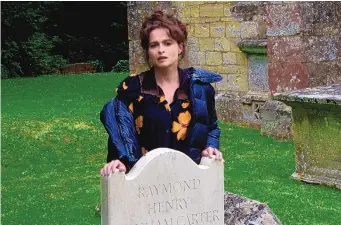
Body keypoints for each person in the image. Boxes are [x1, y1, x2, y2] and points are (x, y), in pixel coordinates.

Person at [100, 10, 223, 176]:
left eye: (167, 43)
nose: (160, 50)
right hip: (146, 182)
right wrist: (120, 162)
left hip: (188, 180)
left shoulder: (200, 89)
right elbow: (121, 133)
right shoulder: (133, 89)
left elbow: (211, 128)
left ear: (180, 47)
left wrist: (211, 147)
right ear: (148, 52)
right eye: (154, 45)